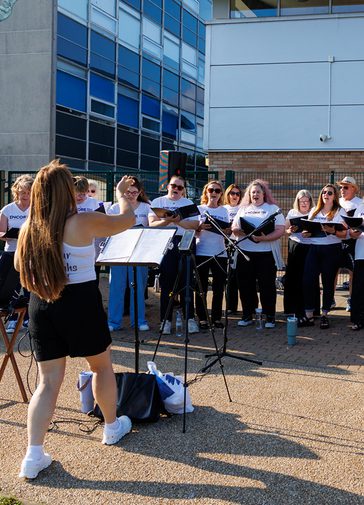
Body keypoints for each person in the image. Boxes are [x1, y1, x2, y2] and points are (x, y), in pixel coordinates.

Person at [15, 160, 136, 479]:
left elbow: (18, 265)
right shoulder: (82, 221)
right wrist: (123, 194)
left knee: (48, 382)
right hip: (80, 301)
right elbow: (127, 219)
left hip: (42, 301)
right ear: (66, 190)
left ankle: (33, 455)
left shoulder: (30, 226)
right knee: (100, 366)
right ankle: (111, 427)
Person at [148, 175, 200, 335]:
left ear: (183, 190)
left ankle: (190, 318)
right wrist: (167, 220)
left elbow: (195, 224)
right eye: (173, 186)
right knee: (166, 283)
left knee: (186, 281)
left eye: (179, 187)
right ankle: (165, 320)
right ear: (167, 186)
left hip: (185, 241)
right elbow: (152, 224)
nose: (176, 189)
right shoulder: (158, 202)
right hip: (166, 242)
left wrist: (177, 221)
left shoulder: (189, 203)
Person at [232, 179, 285, 329]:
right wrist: (239, 231)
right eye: (252, 192)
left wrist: (264, 238)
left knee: (267, 286)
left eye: (258, 192)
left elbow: (280, 229)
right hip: (245, 253)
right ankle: (248, 314)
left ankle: (269, 316)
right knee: (245, 286)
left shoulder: (273, 209)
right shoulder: (243, 209)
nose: (255, 194)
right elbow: (234, 227)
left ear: (264, 194)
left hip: (265, 254)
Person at [108, 176, 150, 332]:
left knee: (138, 288)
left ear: (139, 192)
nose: (130, 195)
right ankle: (113, 322)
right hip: (118, 252)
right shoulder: (113, 208)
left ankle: (139, 321)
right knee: (116, 287)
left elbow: (152, 225)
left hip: (139, 253)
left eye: (134, 192)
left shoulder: (146, 207)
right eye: (127, 192)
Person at [301, 184, 346, 329]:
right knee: (308, 280)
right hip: (314, 248)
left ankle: (325, 314)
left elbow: (344, 234)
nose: (326, 194)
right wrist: (305, 233)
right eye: (324, 192)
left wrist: (333, 231)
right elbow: (308, 231)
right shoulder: (314, 210)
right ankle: (309, 315)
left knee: (327, 282)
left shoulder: (339, 211)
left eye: (330, 193)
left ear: (335, 196)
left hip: (331, 249)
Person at [0, 174, 34, 332]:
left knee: (30, 287)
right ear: (16, 192)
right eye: (23, 192)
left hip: (31, 254)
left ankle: (29, 318)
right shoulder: (7, 210)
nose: (25, 195)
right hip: (11, 253)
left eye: (28, 192)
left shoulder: (36, 209)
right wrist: (9, 234)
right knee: (10, 287)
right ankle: (12, 319)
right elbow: (1, 233)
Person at [196, 181, 229, 329]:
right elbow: (193, 230)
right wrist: (200, 227)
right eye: (211, 190)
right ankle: (202, 318)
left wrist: (227, 230)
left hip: (220, 252)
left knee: (218, 288)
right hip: (201, 251)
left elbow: (227, 232)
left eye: (217, 190)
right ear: (206, 192)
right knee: (201, 287)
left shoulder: (224, 211)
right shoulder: (199, 209)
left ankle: (216, 318)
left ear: (221, 194)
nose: (214, 193)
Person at [284, 190, 320, 326]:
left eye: (307, 201)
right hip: (296, 246)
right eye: (301, 201)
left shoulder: (315, 213)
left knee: (310, 278)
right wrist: (290, 230)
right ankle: (293, 309)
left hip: (310, 247)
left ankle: (312, 310)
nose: (304, 204)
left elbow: (318, 230)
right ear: (297, 201)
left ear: (311, 201)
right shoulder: (292, 213)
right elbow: (286, 230)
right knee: (294, 277)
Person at [336, 176, 362, 312]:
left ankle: (351, 300)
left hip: (352, 241)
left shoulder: (359, 203)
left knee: (352, 273)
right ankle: (330, 300)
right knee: (333, 271)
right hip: (335, 241)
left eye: (345, 187)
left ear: (353, 189)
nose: (342, 190)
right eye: (341, 187)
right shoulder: (337, 202)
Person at [223, 184, 243, 314]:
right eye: (232, 193)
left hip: (239, 244)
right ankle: (230, 306)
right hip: (225, 243)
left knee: (239, 276)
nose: (234, 196)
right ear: (227, 195)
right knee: (228, 276)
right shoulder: (223, 209)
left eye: (237, 194)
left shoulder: (243, 209)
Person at [348, 202, 364, 330]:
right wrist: (354, 232)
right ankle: (357, 320)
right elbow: (352, 233)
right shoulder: (360, 207)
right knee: (359, 287)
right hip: (361, 253)